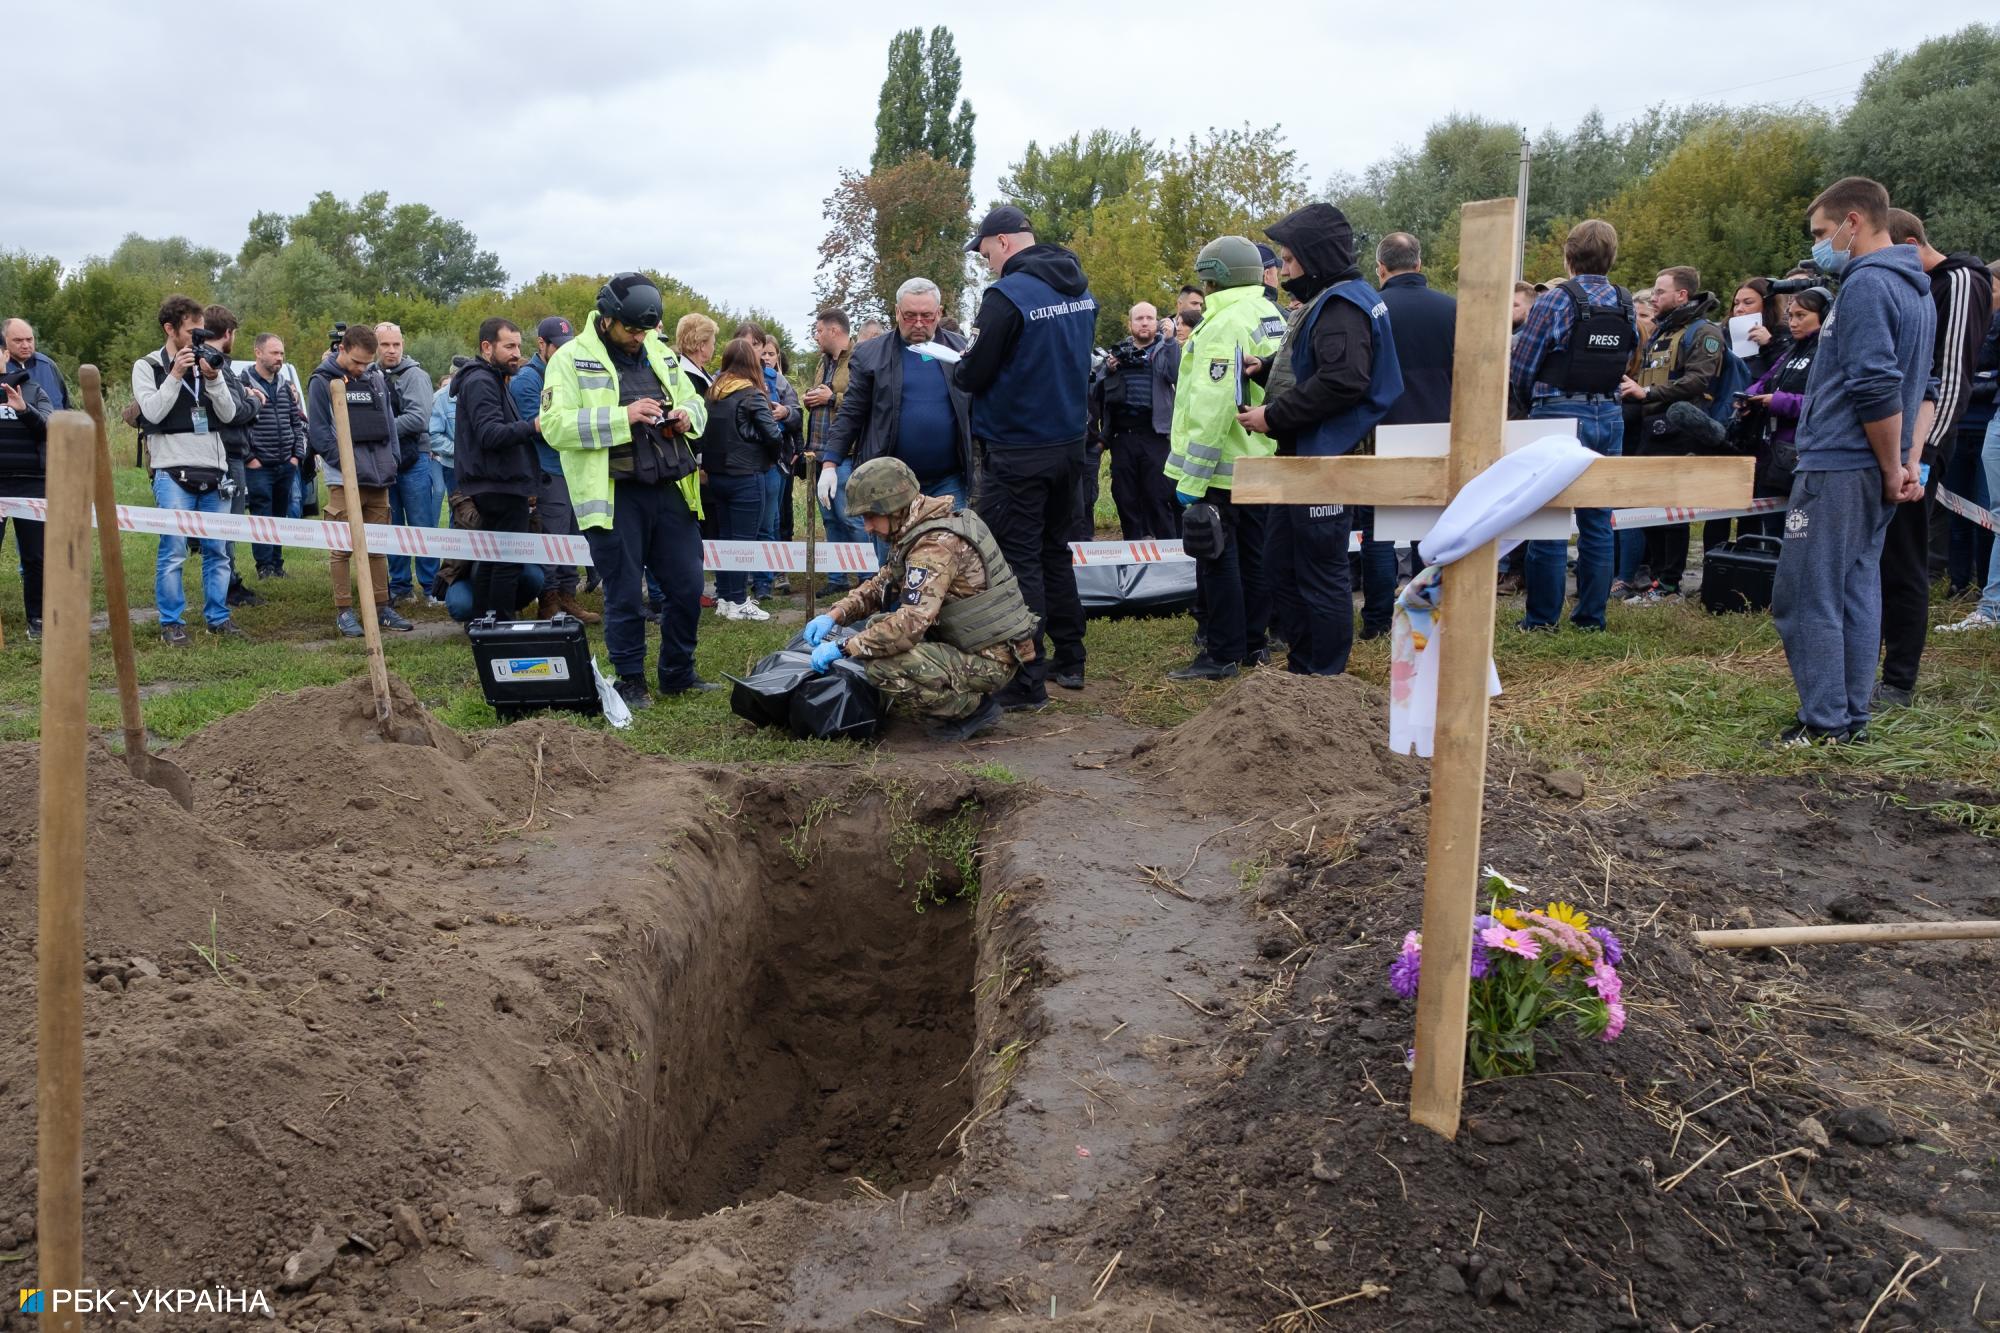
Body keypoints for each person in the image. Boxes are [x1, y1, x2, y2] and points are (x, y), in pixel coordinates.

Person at [1770, 177, 1934, 746]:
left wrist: (1893, 467)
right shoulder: (1915, 288)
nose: (1819, 245)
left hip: (1840, 465)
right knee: (1855, 589)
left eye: (1822, 232)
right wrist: (1906, 460)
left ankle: (1824, 721)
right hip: (1869, 465)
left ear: (1854, 222)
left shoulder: (1867, 284)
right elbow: (1925, 388)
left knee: (1805, 593)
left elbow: (1876, 385)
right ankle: (1849, 714)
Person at [1242, 203, 1404, 677]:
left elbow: (1342, 380)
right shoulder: (1338, 297)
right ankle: (1303, 666)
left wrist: (1273, 415)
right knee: (1282, 563)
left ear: (1314, 257)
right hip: (1306, 458)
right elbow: (1318, 362)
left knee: (1318, 570)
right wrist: (1266, 369)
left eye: (1290, 260)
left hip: (1325, 458)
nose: (1284, 270)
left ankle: (1323, 674)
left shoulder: (1341, 305)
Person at [541, 272, 713, 709]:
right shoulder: (570, 358)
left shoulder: (659, 351)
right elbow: (554, 426)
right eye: (631, 329)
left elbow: (696, 401)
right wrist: (624, 416)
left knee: (687, 585)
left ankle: (678, 673)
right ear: (607, 317)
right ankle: (630, 680)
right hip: (614, 495)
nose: (638, 337)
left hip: (670, 488)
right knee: (624, 594)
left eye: (645, 329)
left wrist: (686, 416)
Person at [955, 205, 1098, 706]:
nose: (987, 263)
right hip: (1069, 445)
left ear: (1004, 242)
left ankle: (1026, 679)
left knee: (1018, 561)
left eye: (985, 253)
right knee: (1055, 551)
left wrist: (963, 365)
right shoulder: (1079, 289)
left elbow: (973, 373)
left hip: (1018, 448)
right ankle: (1072, 657)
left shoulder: (1006, 296)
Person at [801, 457, 1035, 742]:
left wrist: (844, 647)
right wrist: (835, 615)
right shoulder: (919, 529)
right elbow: (881, 585)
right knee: (877, 628)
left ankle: (970, 709)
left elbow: (910, 624)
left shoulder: (933, 547)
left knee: (882, 664)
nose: (867, 527)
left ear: (893, 508)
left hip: (991, 659)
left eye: (870, 516)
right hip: (976, 643)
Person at [1873, 209, 1992, 702]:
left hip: (1922, 443)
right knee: (1879, 558)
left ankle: (1898, 678)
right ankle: (1865, 660)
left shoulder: (1959, 281)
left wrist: (1919, 455)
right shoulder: (1912, 287)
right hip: (1891, 440)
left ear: (1907, 244)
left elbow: (1951, 376)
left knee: (1904, 558)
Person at [1505, 220, 1641, 631]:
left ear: (1568, 257)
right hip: (1609, 414)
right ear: (1612, 257)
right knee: (1597, 521)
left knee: (1549, 519)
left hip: (1557, 414)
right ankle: (1591, 618)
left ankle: (1542, 620)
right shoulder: (1626, 301)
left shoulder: (1554, 300)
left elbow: (1522, 364)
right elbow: (1630, 354)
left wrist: (1531, 404)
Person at [1164, 236, 1287, 680]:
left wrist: (1192, 479)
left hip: (1223, 464)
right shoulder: (1270, 314)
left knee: (1217, 559)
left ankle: (1221, 654)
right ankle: (1254, 645)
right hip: (1262, 457)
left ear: (1213, 278)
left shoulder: (1222, 323)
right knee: (1255, 558)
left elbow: (1212, 406)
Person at [821, 277, 974, 535]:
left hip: (948, 483)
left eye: (926, 316)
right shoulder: (870, 354)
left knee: (949, 554)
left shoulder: (961, 350)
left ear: (939, 313)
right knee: (892, 559)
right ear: (896, 312)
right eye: (909, 315)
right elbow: (851, 412)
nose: (918, 323)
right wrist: (830, 463)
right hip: (888, 485)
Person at [135, 294, 247, 645]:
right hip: (172, 470)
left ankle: (218, 617)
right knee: (174, 550)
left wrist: (213, 379)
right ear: (170, 329)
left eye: (203, 332)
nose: (198, 339)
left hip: (214, 469)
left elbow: (229, 414)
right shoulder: (148, 366)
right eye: (191, 332)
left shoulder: (209, 362)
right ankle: (171, 622)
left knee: (218, 550)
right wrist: (175, 374)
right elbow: (152, 412)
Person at [1618, 266, 1725, 604]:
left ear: (1682, 295)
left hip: (1680, 430)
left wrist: (1647, 394)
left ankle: (1669, 585)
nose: (1653, 297)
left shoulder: (1703, 332)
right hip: (1651, 430)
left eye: (1660, 291)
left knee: (1672, 512)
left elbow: (1698, 381)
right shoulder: (1663, 331)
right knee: (1647, 507)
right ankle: (1656, 580)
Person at [1368, 232, 1456, 639]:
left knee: (1377, 532)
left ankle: (1376, 621)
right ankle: (1427, 615)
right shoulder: (1453, 309)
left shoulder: (1372, 310)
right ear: (1419, 265)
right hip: (1441, 428)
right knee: (1433, 529)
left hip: (1385, 428)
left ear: (1381, 269)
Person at [308, 323, 414, 639]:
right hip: (344, 481)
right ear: (341, 349)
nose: (360, 368)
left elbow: (390, 425)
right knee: (342, 549)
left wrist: (392, 460)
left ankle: (382, 607)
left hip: (379, 478)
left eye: (367, 363)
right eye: (356, 362)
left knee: (377, 545)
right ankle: (344, 611)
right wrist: (348, 466)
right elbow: (320, 433)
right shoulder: (322, 381)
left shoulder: (376, 378)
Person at [451, 317, 542, 625]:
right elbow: (489, 434)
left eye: (518, 346)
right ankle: (500, 627)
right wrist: (533, 426)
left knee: (492, 558)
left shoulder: (493, 378)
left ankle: (484, 624)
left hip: (498, 483)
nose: (517, 353)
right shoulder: (481, 381)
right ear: (487, 347)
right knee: (507, 560)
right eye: (509, 346)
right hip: (498, 486)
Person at [510, 316, 596, 623]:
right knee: (553, 538)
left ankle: (567, 596)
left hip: (572, 467)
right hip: (547, 469)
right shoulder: (528, 380)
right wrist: (577, 425)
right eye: (557, 347)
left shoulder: (570, 373)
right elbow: (538, 427)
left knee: (573, 535)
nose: (563, 352)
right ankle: (548, 601)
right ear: (542, 344)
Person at [1738, 287, 1830, 535]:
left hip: (1804, 454)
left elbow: (1826, 404)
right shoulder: (1793, 349)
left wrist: (1778, 401)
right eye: (1790, 316)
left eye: (1801, 316)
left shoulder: (1829, 353)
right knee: (1773, 530)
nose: (1793, 323)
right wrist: (1748, 397)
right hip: (1775, 455)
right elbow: (1767, 380)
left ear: (1824, 316)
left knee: (1796, 533)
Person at [192, 305, 265, 611]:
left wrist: (244, 395)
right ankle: (229, 586)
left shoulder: (203, 359)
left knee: (220, 526)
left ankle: (225, 583)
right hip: (227, 453)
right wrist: (255, 401)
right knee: (228, 526)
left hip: (215, 451)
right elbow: (233, 413)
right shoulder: (216, 363)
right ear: (228, 333)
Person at [1088, 301, 1180, 540]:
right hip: (1123, 436)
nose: (1145, 323)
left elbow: (1174, 373)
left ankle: (1167, 551)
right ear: (1130, 324)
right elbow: (1096, 391)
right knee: (1125, 497)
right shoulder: (1119, 353)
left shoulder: (1164, 348)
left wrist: (1170, 340)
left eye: (1150, 318)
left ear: (1157, 322)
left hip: (1155, 435)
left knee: (1159, 496)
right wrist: (1109, 370)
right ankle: (1133, 547)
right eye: (1139, 319)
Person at [705, 336, 782, 622]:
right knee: (743, 542)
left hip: (717, 475)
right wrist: (771, 458)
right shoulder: (752, 394)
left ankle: (726, 598)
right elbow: (772, 434)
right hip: (746, 475)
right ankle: (738, 601)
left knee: (725, 538)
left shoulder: (713, 392)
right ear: (752, 362)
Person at [1940, 273, 2000, 602]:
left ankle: (1985, 586)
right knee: (1956, 510)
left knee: (1986, 513)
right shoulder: (1966, 323)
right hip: (1957, 428)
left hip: (1987, 427)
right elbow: (1948, 372)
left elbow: (1962, 381)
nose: (1985, 294)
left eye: (1992, 287)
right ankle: (1959, 582)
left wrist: (1966, 386)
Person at [373, 323, 441, 609]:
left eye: (396, 344)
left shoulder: (416, 375)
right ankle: (400, 585)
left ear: (403, 344)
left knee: (421, 523)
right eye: (385, 345)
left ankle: (432, 586)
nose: (391, 350)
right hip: (384, 460)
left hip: (415, 459)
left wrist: (378, 427)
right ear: (375, 346)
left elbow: (418, 419)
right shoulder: (370, 374)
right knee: (391, 524)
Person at [803, 308, 863, 592]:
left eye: (819, 331)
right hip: (819, 453)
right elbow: (824, 398)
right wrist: (811, 398)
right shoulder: (823, 362)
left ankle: (868, 578)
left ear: (834, 330)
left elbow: (864, 402)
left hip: (845, 455)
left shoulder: (859, 359)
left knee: (851, 518)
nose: (816, 336)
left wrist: (831, 398)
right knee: (830, 519)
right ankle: (837, 579)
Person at [0, 360, 55, 639]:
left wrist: (24, 409)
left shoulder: (32, 389)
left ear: (4, 354)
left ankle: (38, 618)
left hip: (32, 484)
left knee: (36, 556)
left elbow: (50, 429)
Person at [243, 333, 306, 578]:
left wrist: (296, 455)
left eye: (281, 353)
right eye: (274, 353)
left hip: (286, 463)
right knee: (261, 514)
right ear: (258, 353)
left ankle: (277, 564)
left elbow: (296, 422)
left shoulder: (285, 386)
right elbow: (239, 425)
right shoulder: (243, 383)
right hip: (259, 465)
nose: (279, 358)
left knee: (280, 514)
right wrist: (250, 458)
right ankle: (264, 566)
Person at [436, 490, 545, 622]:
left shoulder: (519, 491)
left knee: (533, 577)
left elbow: (534, 537)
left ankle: (506, 611)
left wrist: (528, 509)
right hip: (465, 570)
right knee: (461, 606)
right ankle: (479, 618)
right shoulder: (463, 493)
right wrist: (509, 508)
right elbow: (475, 525)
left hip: (509, 560)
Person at [755, 338, 802, 598]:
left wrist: (786, 413)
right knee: (764, 517)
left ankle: (780, 569)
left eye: (771, 354)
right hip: (755, 458)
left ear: (778, 356)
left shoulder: (782, 383)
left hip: (783, 457)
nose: (766, 358)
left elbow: (798, 416)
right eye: (762, 353)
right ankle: (760, 571)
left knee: (780, 516)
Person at [3, 318, 68, 410]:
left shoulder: (47, 365)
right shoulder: (2, 367)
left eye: (29, 340)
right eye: (18, 341)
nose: (25, 346)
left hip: (54, 419)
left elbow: (66, 404)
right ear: (4, 341)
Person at [428, 358, 468, 507]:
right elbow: (433, 436)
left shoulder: (478, 393)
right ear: (454, 376)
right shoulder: (440, 399)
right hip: (454, 467)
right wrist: (459, 451)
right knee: (460, 511)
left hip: (481, 466)